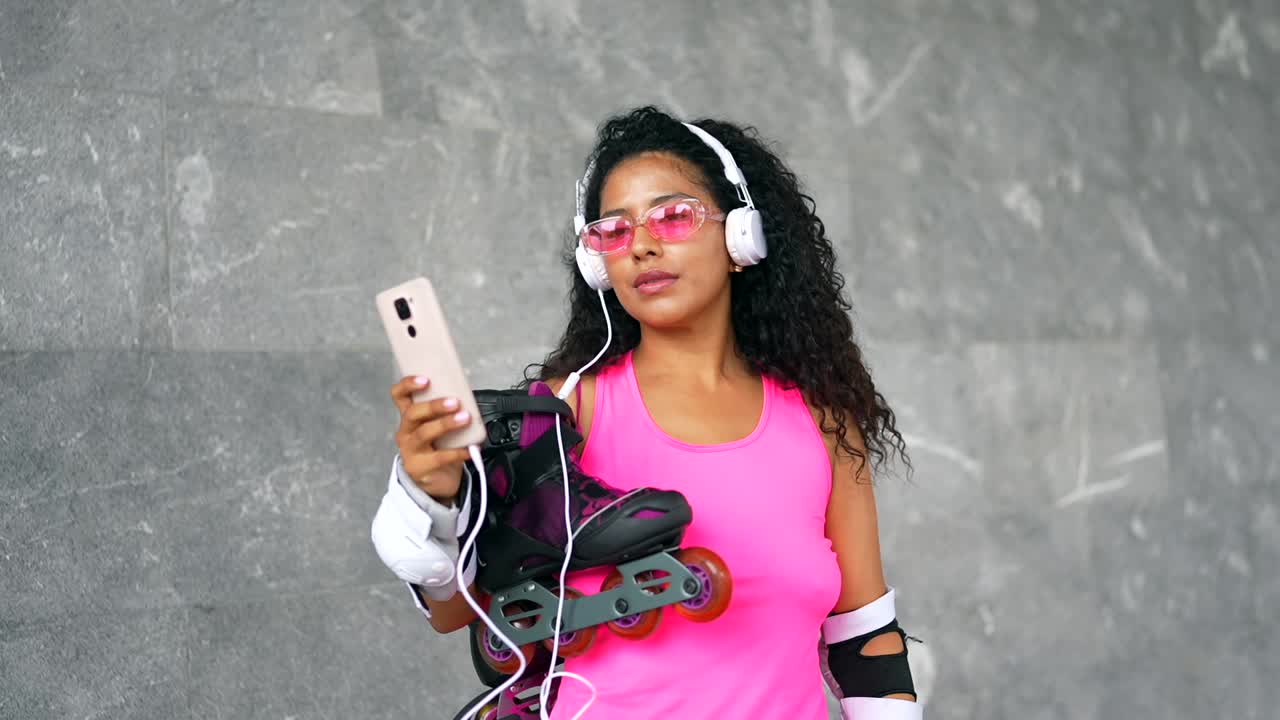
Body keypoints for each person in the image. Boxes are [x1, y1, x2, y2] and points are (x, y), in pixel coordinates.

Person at [372, 106, 922, 718]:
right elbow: (456, 612)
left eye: (674, 216)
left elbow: (867, 642)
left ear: (742, 235)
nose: (643, 246)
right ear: (597, 264)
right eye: (614, 230)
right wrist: (434, 501)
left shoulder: (823, 425)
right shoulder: (563, 412)